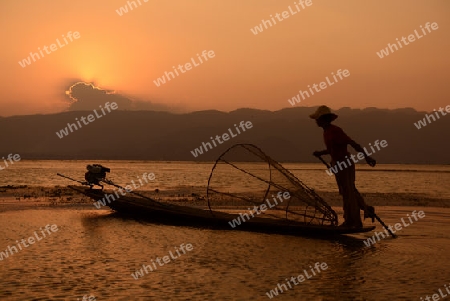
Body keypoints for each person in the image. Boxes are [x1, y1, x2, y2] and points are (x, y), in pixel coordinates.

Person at [310, 105, 376, 228]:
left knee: (348, 192)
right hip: (337, 164)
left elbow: (352, 143)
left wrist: (367, 157)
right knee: (348, 191)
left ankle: (353, 221)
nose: (316, 121)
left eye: (317, 119)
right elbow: (332, 149)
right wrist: (320, 153)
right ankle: (366, 209)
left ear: (323, 119)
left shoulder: (335, 131)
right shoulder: (326, 132)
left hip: (345, 164)